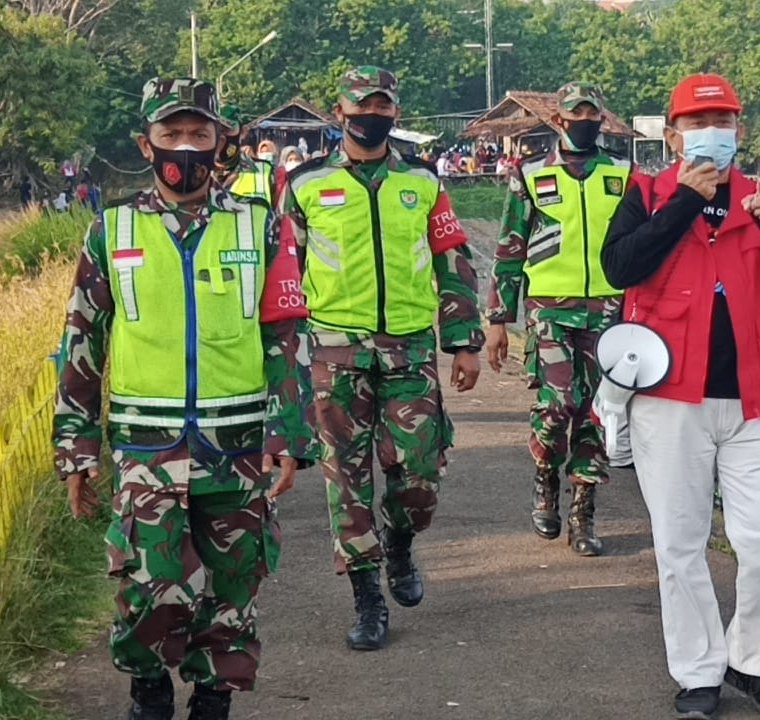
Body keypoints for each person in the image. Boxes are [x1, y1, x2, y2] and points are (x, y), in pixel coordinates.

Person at [53, 77, 314, 720]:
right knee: (148, 583)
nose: (186, 147)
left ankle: (214, 694)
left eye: (200, 133)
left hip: (239, 445)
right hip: (147, 445)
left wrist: (291, 433)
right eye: (172, 134)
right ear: (147, 144)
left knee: (234, 584)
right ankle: (147, 682)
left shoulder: (262, 225)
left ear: (221, 142)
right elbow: (82, 341)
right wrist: (76, 448)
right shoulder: (110, 231)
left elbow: (286, 336)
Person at [601, 73, 760, 720]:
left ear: (739, 133)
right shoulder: (646, 193)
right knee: (679, 543)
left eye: (722, 122)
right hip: (671, 396)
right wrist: (683, 205)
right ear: (671, 136)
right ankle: (698, 672)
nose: (711, 133)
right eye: (697, 123)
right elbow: (621, 267)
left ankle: (753, 663)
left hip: (759, 394)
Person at [279, 65, 483, 652]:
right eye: (361, 106)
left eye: (383, 106)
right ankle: (367, 597)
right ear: (339, 113)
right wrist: (285, 356)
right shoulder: (305, 183)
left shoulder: (421, 179)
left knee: (418, 472)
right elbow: (282, 271)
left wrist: (463, 338)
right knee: (345, 478)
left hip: (410, 348)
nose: (372, 115)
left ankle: (399, 542)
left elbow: (452, 255)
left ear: (395, 112)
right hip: (334, 350)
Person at [484, 82, 629, 557]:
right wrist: (498, 319)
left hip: (609, 308)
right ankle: (546, 475)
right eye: (575, 112)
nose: (584, 119)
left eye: (592, 111)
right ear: (559, 120)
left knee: (597, 412)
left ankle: (583, 514)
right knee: (557, 404)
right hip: (548, 307)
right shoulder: (530, 175)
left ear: (600, 118)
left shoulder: (623, 174)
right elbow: (510, 247)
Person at [215, 105, 274, 206]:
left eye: (226, 130)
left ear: (243, 132)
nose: (221, 137)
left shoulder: (266, 172)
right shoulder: (192, 174)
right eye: (217, 130)